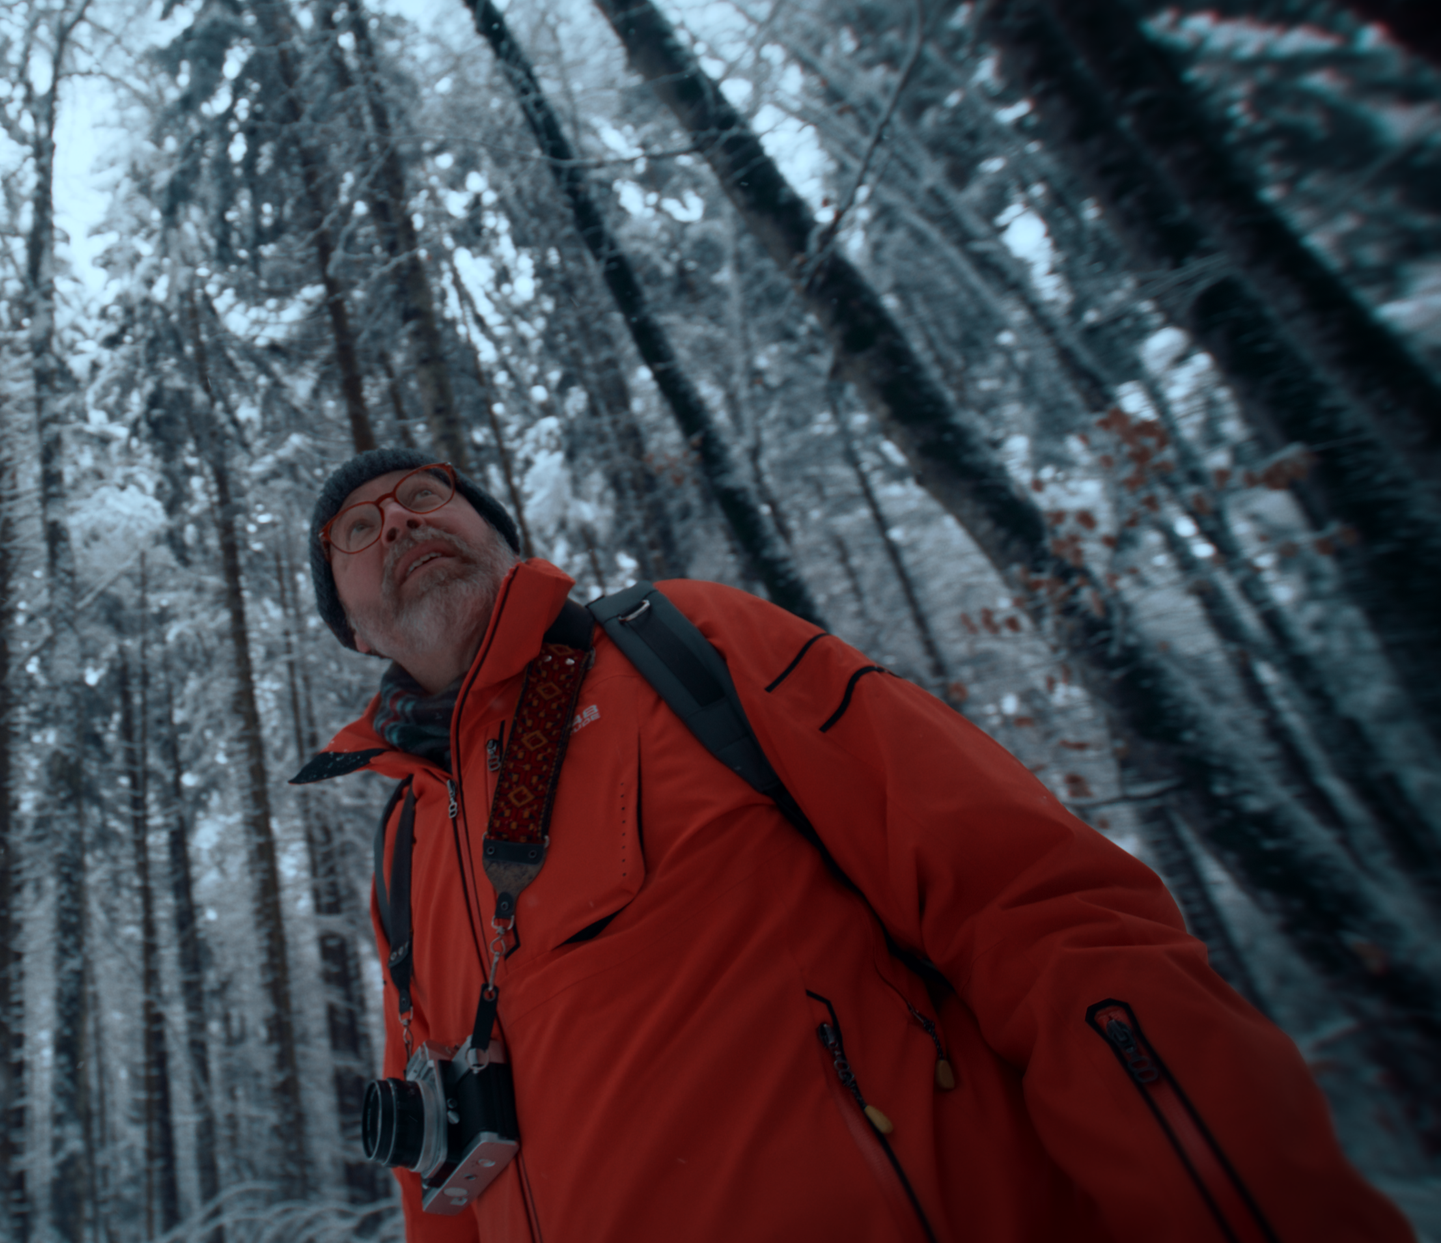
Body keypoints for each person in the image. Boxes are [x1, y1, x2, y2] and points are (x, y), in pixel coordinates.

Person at [291, 448, 1410, 1242]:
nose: (401, 523)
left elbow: (1039, 916)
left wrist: (1244, 1210)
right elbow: (442, 1171)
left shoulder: (687, 647)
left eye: (425, 494)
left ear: (498, 533)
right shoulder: (401, 857)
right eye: (358, 530)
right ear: (350, 627)